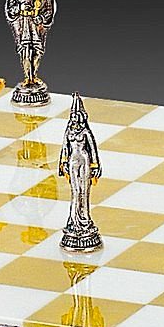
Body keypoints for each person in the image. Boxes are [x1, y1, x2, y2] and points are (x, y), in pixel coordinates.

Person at [4, 0, 57, 104]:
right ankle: (28, 77)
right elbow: (10, 10)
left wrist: (42, 17)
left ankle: (34, 75)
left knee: (38, 52)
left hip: (37, 28)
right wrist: (19, 8)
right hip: (24, 25)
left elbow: (49, 10)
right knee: (25, 51)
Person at [58, 93, 102, 251]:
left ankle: (84, 220)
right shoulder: (69, 132)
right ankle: (74, 222)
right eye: (73, 116)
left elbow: (93, 150)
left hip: (84, 161)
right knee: (75, 191)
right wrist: (63, 163)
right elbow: (65, 148)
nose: (74, 118)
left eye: (76, 116)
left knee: (83, 191)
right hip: (72, 162)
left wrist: (95, 166)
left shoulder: (85, 133)